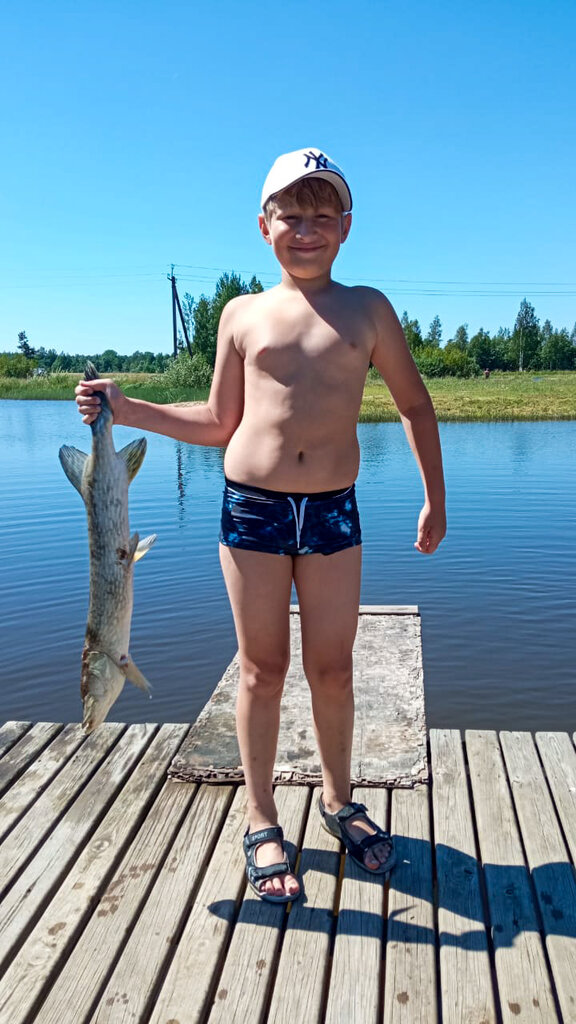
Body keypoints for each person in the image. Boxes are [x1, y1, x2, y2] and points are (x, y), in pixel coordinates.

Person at [76, 147, 446, 904]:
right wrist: (127, 407)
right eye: (290, 216)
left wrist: (434, 498)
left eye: (322, 215)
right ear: (263, 226)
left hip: (333, 510)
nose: (306, 229)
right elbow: (219, 421)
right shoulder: (241, 314)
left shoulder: (369, 309)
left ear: (346, 226)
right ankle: (261, 814)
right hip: (254, 508)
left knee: (333, 669)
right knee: (261, 669)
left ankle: (339, 801)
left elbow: (414, 404)